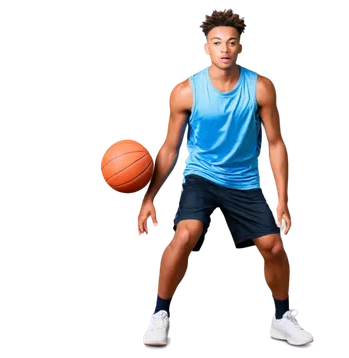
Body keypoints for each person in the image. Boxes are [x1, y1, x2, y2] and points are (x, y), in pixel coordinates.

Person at [136, 8, 315, 347]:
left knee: (274, 245)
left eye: (232, 42)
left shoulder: (260, 87)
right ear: (205, 47)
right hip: (201, 177)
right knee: (186, 233)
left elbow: (276, 143)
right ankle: (159, 314)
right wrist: (148, 198)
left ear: (240, 48)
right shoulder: (186, 92)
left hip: (245, 181)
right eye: (217, 42)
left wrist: (282, 200)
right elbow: (171, 148)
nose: (225, 49)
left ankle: (280, 318)